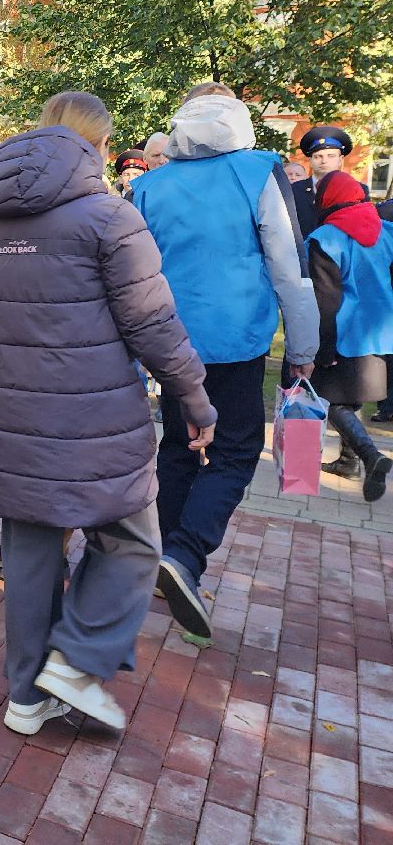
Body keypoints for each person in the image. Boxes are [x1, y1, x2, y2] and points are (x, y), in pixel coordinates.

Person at [0, 90, 215, 735]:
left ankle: (25, 697)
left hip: (12, 420)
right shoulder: (109, 217)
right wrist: (193, 397)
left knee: (30, 552)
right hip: (95, 422)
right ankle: (77, 665)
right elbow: (153, 323)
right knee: (133, 542)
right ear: (100, 146)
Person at [130, 83, 317, 641]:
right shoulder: (261, 171)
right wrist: (303, 350)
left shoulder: (149, 184)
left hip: (169, 341)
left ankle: (163, 561)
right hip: (237, 338)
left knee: (177, 447)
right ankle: (185, 555)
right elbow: (287, 264)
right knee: (235, 451)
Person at [305, 170, 393, 500]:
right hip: (381, 331)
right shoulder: (386, 232)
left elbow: (324, 300)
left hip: (344, 331)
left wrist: (321, 348)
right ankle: (348, 462)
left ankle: (371, 457)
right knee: (351, 396)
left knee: (332, 400)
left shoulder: (326, 238)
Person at [293, 125, 367, 238]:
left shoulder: (358, 191)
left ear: (340, 160)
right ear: (310, 161)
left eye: (331, 156)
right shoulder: (294, 190)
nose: (324, 161)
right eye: (318, 156)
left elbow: (364, 227)